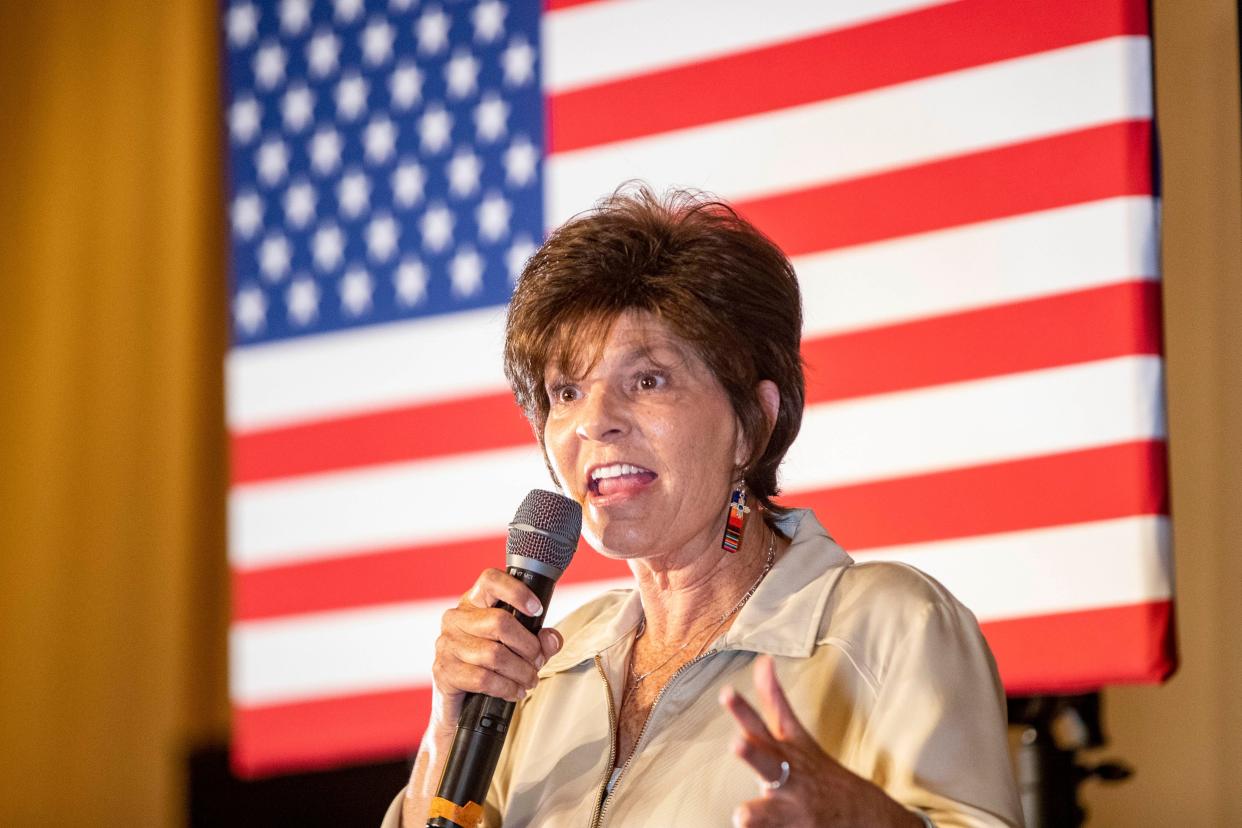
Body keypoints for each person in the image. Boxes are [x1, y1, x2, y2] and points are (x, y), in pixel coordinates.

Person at [382, 186, 1023, 827]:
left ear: (752, 424)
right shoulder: (548, 666)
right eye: (567, 390)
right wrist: (449, 724)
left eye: (648, 379)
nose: (594, 422)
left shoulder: (890, 625)